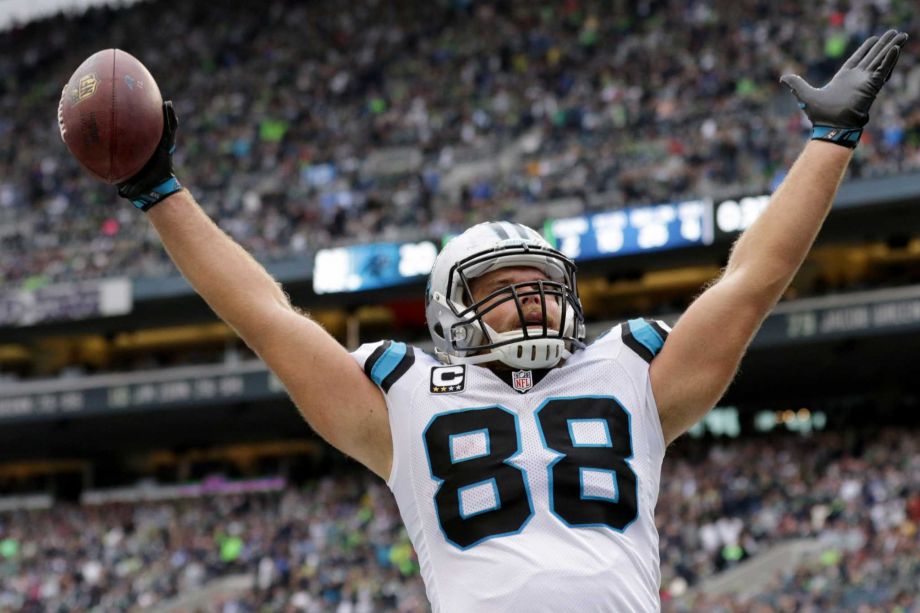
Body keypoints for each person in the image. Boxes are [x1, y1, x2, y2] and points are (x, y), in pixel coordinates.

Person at [63, 30, 908, 612]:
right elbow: (266, 318)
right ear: (450, 313)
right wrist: (158, 191)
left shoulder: (634, 373)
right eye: (501, 286)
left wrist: (830, 140)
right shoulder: (401, 392)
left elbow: (749, 282)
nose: (528, 300)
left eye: (538, 283)